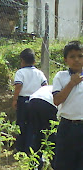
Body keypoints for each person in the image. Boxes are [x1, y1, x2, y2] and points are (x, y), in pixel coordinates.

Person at [52, 41, 83, 170]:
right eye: (72, 56)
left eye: (80, 56)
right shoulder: (61, 76)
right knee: (64, 164)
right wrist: (71, 84)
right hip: (68, 127)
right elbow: (57, 101)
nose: (77, 60)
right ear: (65, 60)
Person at [12, 48, 47, 152]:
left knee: (22, 124)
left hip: (23, 101)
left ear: (22, 61)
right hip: (36, 101)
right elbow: (45, 85)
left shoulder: (20, 72)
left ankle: (19, 148)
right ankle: (30, 149)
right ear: (34, 61)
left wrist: (14, 99)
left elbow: (19, 86)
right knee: (33, 125)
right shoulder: (39, 73)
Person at [28, 85, 58, 169]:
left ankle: (34, 164)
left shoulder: (50, 87)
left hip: (32, 102)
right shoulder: (63, 89)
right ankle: (55, 164)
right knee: (52, 135)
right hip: (48, 104)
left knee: (37, 134)